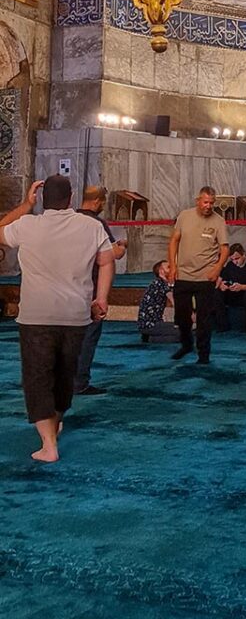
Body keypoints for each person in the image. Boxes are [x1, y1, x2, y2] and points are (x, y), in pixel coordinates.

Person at [0, 176, 115, 462]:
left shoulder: (27, 225)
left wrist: (27, 205)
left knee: (38, 379)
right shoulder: (91, 226)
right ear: (71, 197)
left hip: (36, 317)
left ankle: (48, 445)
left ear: (42, 198)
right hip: (75, 316)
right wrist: (101, 298)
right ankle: (54, 424)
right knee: (64, 377)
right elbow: (107, 260)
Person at [73, 185, 127, 395]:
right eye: (103, 202)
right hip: (92, 288)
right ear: (97, 201)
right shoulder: (96, 223)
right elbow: (110, 254)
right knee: (88, 336)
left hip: (69, 286)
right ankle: (80, 382)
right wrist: (121, 247)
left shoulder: (72, 220)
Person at [168, 186, 229, 364]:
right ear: (198, 201)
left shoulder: (218, 221)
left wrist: (218, 268)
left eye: (211, 203)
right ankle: (186, 344)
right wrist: (172, 266)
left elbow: (224, 249)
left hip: (205, 276)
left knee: (204, 319)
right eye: (205, 202)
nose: (208, 206)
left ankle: (204, 354)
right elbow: (174, 241)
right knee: (181, 315)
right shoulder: (184, 216)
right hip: (183, 275)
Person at [215, 243, 246, 332]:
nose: (235, 262)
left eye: (237, 259)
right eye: (232, 259)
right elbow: (220, 281)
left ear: (243, 254)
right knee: (217, 293)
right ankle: (222, 326)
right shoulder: (230, 265)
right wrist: (223, 286)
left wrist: (243, 287)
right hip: (235, 294)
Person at [138, 260, 177, 343]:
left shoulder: (157, 283)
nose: (173, 269)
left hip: (148, 323)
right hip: (151, 324)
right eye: (169, 267)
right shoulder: (161, 284)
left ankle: (150, 336)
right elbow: (174, 301)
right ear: (161, 271)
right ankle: (152, 339)